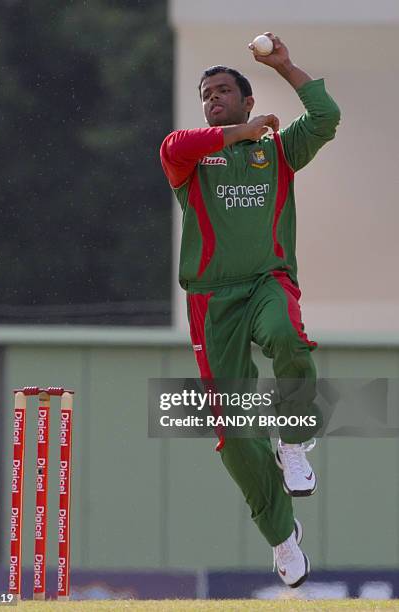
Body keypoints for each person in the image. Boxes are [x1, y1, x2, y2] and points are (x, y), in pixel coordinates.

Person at [160, 33, 340, 588]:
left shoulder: (278, 151)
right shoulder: (188, 154)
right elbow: (176, 143)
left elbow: (326, 116)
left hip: (267, 281)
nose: (212, 99)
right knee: (234, 436)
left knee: (287, 336)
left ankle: (293, 438)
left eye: (222, 92)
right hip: (213, 300)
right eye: (206, 94)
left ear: (247, 99)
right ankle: (283, 538)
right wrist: (238, 132)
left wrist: (285, 66)